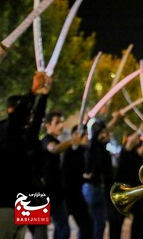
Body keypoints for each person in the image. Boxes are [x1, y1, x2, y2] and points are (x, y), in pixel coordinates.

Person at [0, 72, 50, 239]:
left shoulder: (25, 137)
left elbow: (36, 122)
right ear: (11, 111)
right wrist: (33, 92)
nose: (29, 118)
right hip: (6, 203)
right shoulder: (5, 130)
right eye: (25, 113)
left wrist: (44, 96)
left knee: (30, 234)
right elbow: (15, 120)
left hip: (27, 199)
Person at [41, 111, 81, 239]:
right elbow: (54, 149)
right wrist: (70, 142)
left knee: (63, 228)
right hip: (47, 193)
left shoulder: (56, 140)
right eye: (57, 122)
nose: (61, 125)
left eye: (62, 122)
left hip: (57, 193)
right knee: (46, 231)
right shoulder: (47, 140)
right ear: (48, 125)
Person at [82, 118, 114, 239]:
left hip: (96, 188)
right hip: (94, 188)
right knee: (96, 223)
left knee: (96, 223)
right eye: (103, 132)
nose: (106, 135)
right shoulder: (95, 149)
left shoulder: (97, 148)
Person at [61, 125, 93, 239]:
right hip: (64, 195)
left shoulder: (83, 151)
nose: (87, 138)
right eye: (85, 135)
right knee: (62, 230)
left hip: (77, 194)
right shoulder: (66, 151)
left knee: (87, 226)